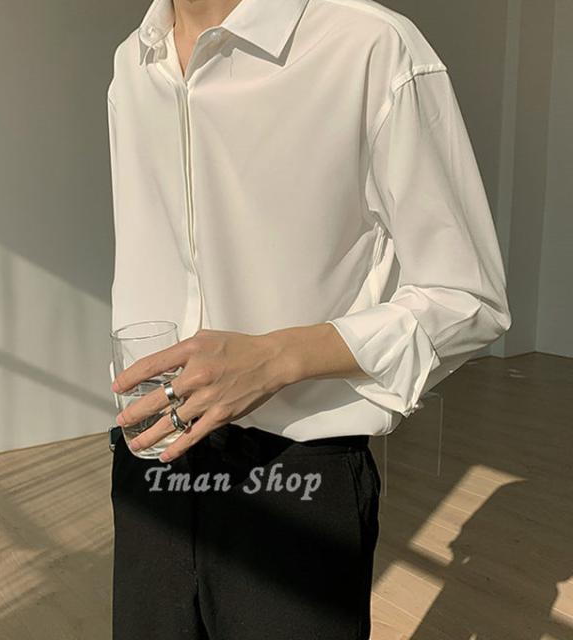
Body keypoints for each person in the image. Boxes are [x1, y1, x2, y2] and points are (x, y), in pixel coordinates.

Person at [105, 0, 512, 638]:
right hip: (150, 455)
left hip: (294, 474)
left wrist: (278, 357)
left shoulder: (369, 46)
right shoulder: (133, 62)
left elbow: (469, 298)